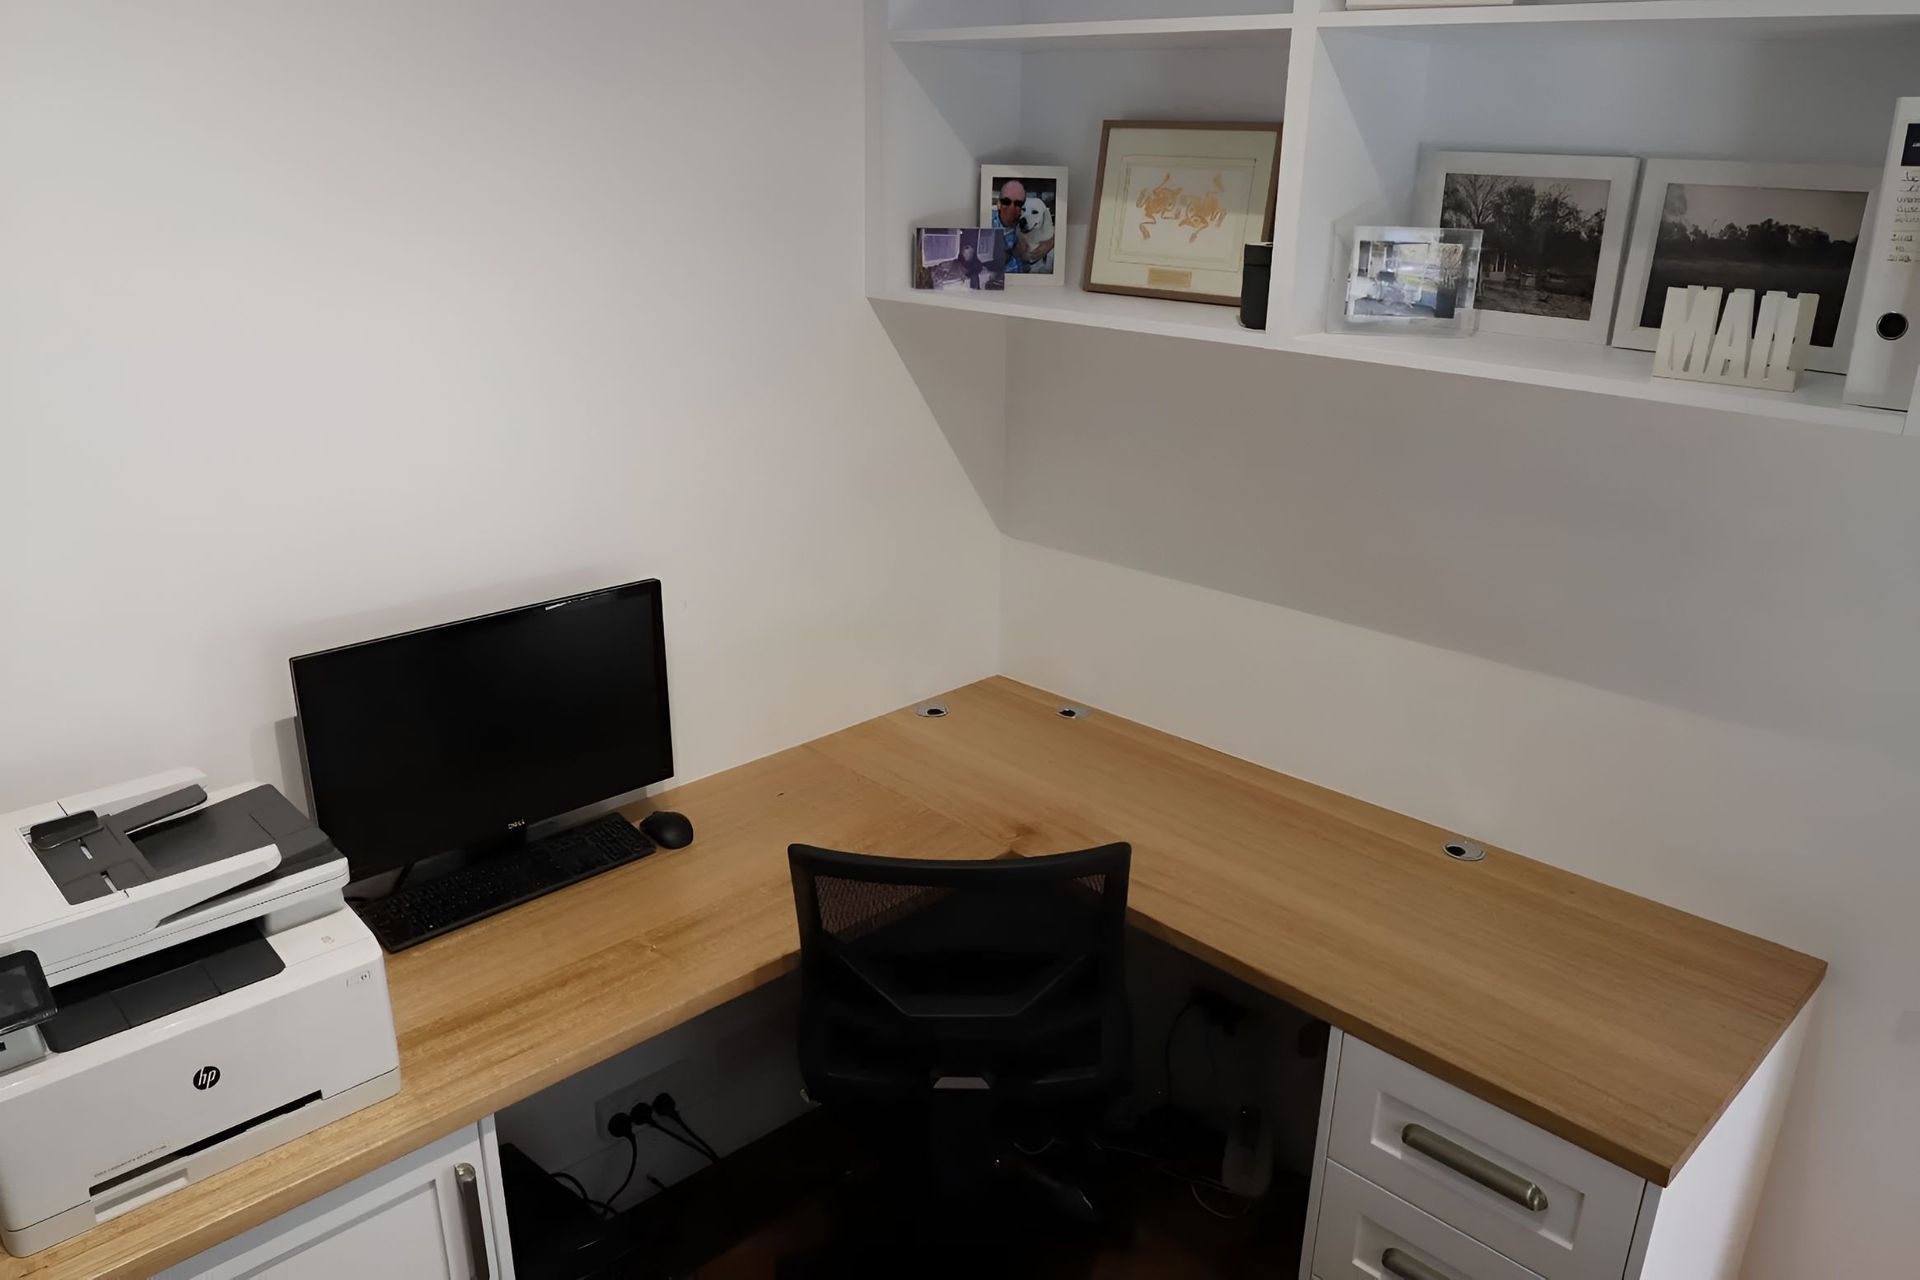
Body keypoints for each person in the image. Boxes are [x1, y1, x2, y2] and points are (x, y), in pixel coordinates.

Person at [992, 179, 1028, 274]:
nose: (1011, 208)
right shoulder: (987, 221)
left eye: (1018, 204)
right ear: (999, 204)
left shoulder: (1025, 224)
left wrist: (1051, 242)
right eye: (1006, 202)